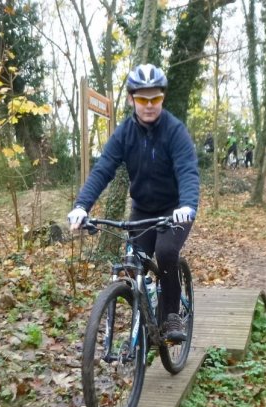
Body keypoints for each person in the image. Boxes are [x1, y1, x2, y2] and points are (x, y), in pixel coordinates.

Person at [67, 63, 199, 343]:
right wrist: (82, 206)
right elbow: (103, 169)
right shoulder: (124, 133)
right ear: (131, 99)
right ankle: (146, 316)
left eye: (155, 98)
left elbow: (187, 170)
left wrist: (187, 205)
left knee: (165, 253)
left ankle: (172, 315)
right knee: (132, 261)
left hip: (173, 210)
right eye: (142, 98)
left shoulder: (175, 131)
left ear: (162, 98)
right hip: (141, 209)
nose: (149, 105)